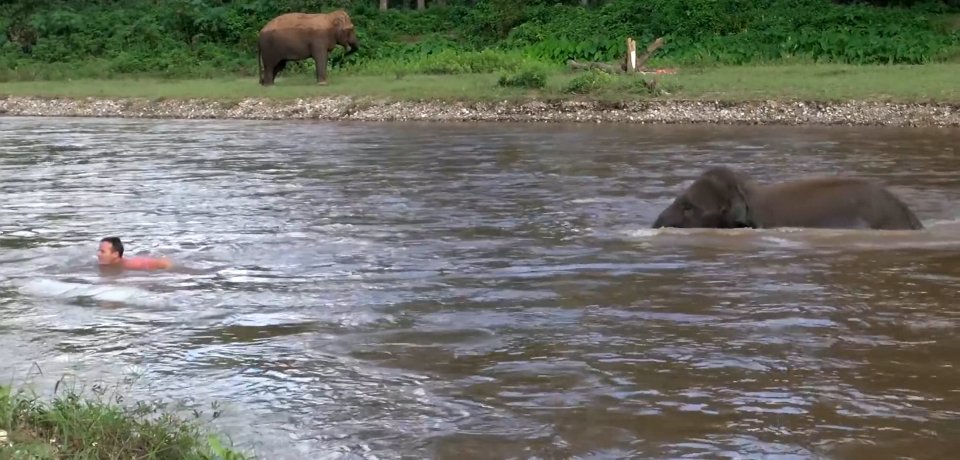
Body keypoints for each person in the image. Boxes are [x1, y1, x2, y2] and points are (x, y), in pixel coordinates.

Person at [97, 236, 172, 270]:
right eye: (99, 250)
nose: (98, 254)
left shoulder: (132, 264)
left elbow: (165, 264)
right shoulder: (103, 264)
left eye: (102, 251)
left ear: (115, 254)